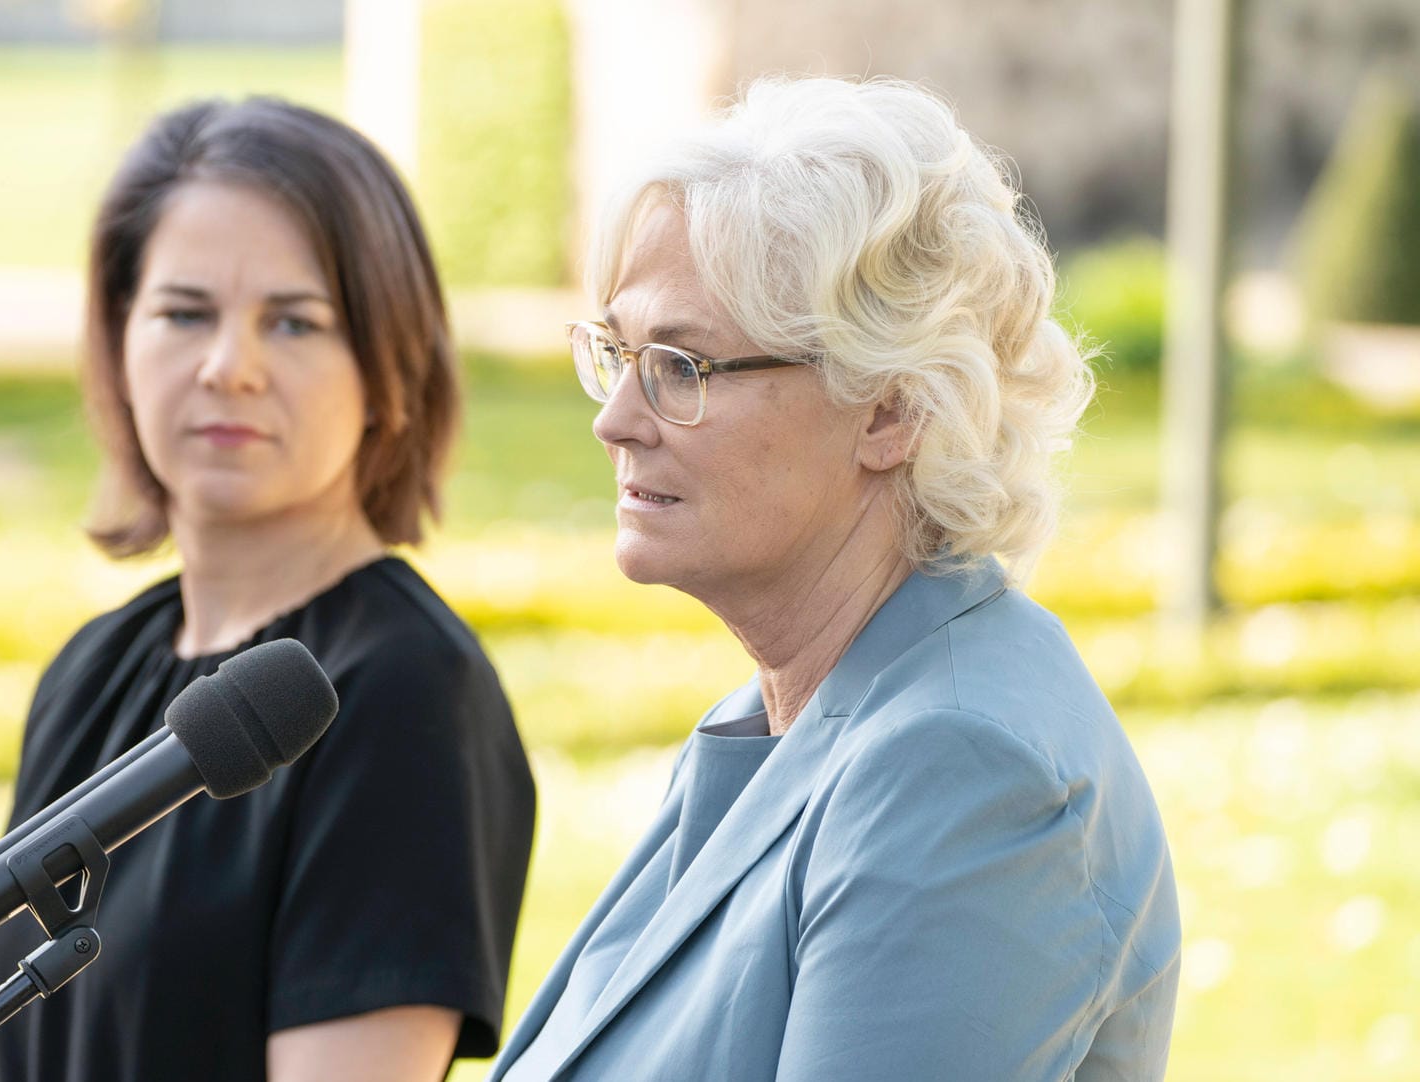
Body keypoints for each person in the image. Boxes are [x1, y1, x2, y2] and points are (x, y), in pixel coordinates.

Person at [491, 76, 1180, 1081]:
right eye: (619, 352)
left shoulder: (961, 767)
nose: (616, 420)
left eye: (681, 363)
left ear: (891, 409)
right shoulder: (796, 712)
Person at [0, 98, 536, 1082]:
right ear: (118, 342)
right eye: (185, 312)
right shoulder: (89, 672)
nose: (229, 367)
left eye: (294, 321)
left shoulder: (402, 692)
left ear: (387, 366)